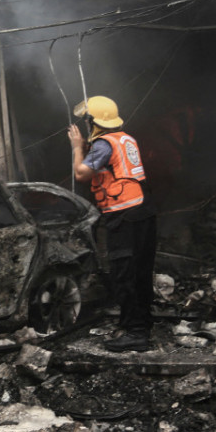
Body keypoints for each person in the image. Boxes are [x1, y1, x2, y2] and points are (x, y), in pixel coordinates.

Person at [67, 95, 158, 353]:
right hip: (143, 210)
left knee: (124, 273)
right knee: (140, 271)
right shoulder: (125, 139)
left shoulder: (104, 145)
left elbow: (81, 174)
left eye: (87, 121)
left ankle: (136, 333)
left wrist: (76, 147)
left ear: (95, 122)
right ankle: (141, 323)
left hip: (124, 215)